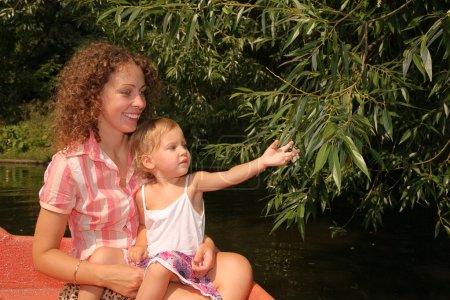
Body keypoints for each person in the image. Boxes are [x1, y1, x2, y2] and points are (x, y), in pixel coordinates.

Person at [32, 41, 253, 300]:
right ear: (94, 98)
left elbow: (172, 220)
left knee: (238, 267)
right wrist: (107, 276)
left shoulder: (151, 156)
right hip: (99, 284)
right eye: (126, 92)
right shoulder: (69, 165)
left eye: (142, 92)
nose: (139, 102)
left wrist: (206, 243)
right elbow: (43, 256)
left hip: (155, 267)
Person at [124, 117, 300, 300]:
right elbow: (145, 226)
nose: (183, 152)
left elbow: (229, 176)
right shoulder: (143, 194)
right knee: (159, 267)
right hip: (158, 266)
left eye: (184, 145)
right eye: (172, 147)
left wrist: (262, 162)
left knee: (240, 264)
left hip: (190, 263)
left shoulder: (194, 183)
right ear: (148, 162)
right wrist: (140, 245)